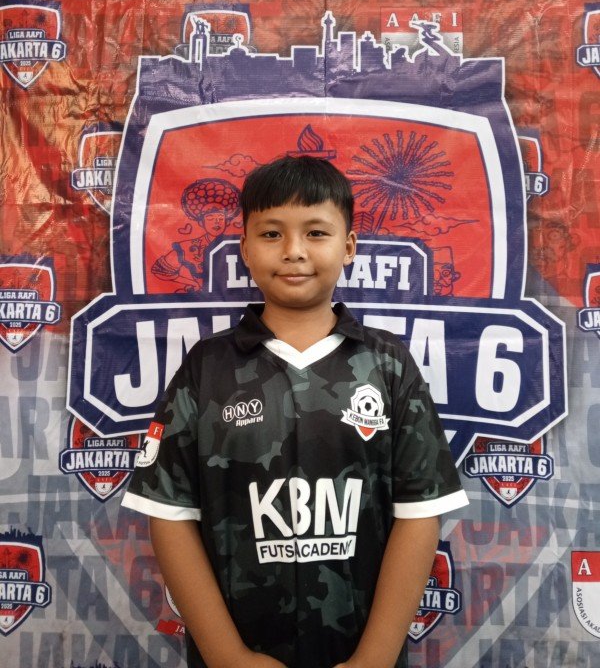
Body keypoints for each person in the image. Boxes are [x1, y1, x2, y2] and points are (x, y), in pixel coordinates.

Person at [121, 155, 468, 668]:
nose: (294, 251)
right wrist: (228, 656)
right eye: (271, 234)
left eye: (316, 232)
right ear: (244, 248)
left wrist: (374, 658)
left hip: (360, 648)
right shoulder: (207, 367)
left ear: (349, 246)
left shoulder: (387, 364)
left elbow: (419, 513)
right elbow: (170, 514)